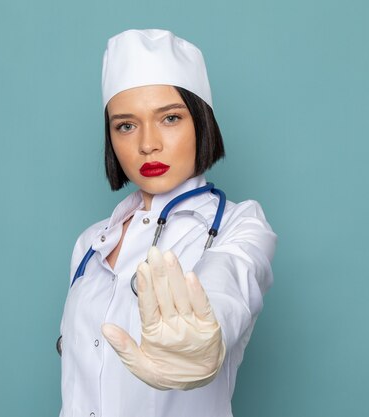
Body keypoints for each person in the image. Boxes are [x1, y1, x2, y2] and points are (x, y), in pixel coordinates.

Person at [58, 29, 277, 417]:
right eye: (126, 125)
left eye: (170, 118)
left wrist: (205, 336)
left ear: (201, 122)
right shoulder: (91, 245)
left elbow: (227, 285)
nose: (147, 144)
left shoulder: (238, 225)